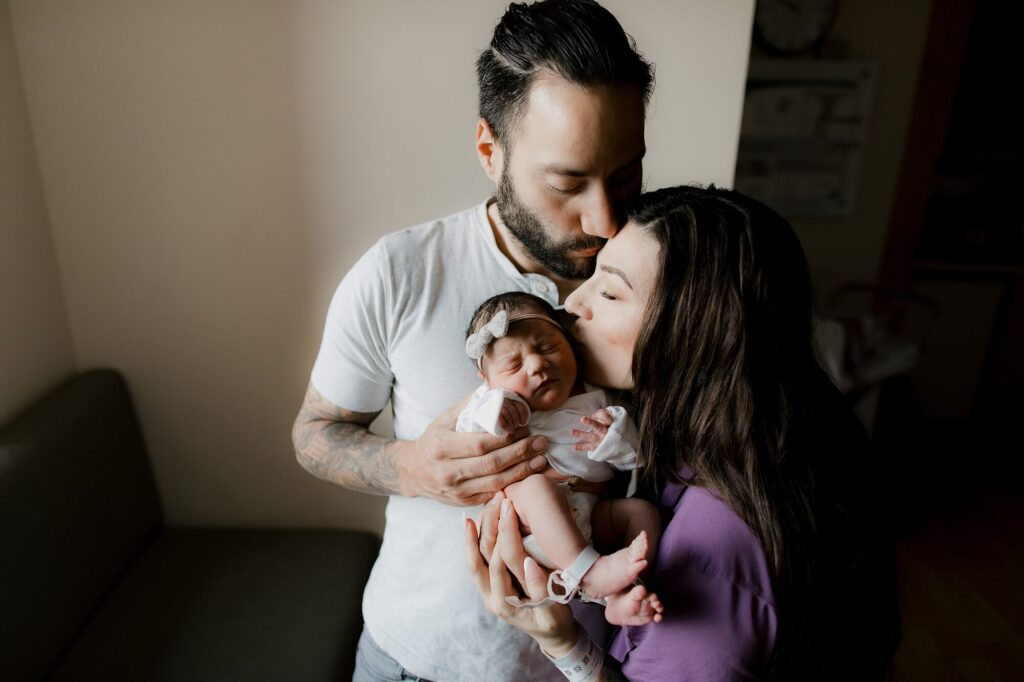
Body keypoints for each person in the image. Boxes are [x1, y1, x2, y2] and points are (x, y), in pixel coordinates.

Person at [290, 1, 654, 679]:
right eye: (568, 182)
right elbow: (314, 435)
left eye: (626, 174)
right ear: (490, 150)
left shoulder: (658, 272)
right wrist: (414, 468)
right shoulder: (400, 272)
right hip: (414, 661)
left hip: (598, 660)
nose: (605, 219)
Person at [467, 185, 900, 680]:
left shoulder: (715, 546)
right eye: (592, 277)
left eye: (609, 292)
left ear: (694, 333)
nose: (572, 304)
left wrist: (562, 641)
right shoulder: (729, 438)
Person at [457, 291, 664, 626]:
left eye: (547, 347)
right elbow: (467, 429)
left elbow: (635, 459)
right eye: (514, 364)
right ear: (488, 379)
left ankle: (619, 595)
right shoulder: (492, 402)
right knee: (536, 486)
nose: (537, 364)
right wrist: (494, 410)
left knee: (642, 513)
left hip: (592, 518)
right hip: (530, 527)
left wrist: (612, 440)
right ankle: (591, 573)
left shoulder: (599, 397)